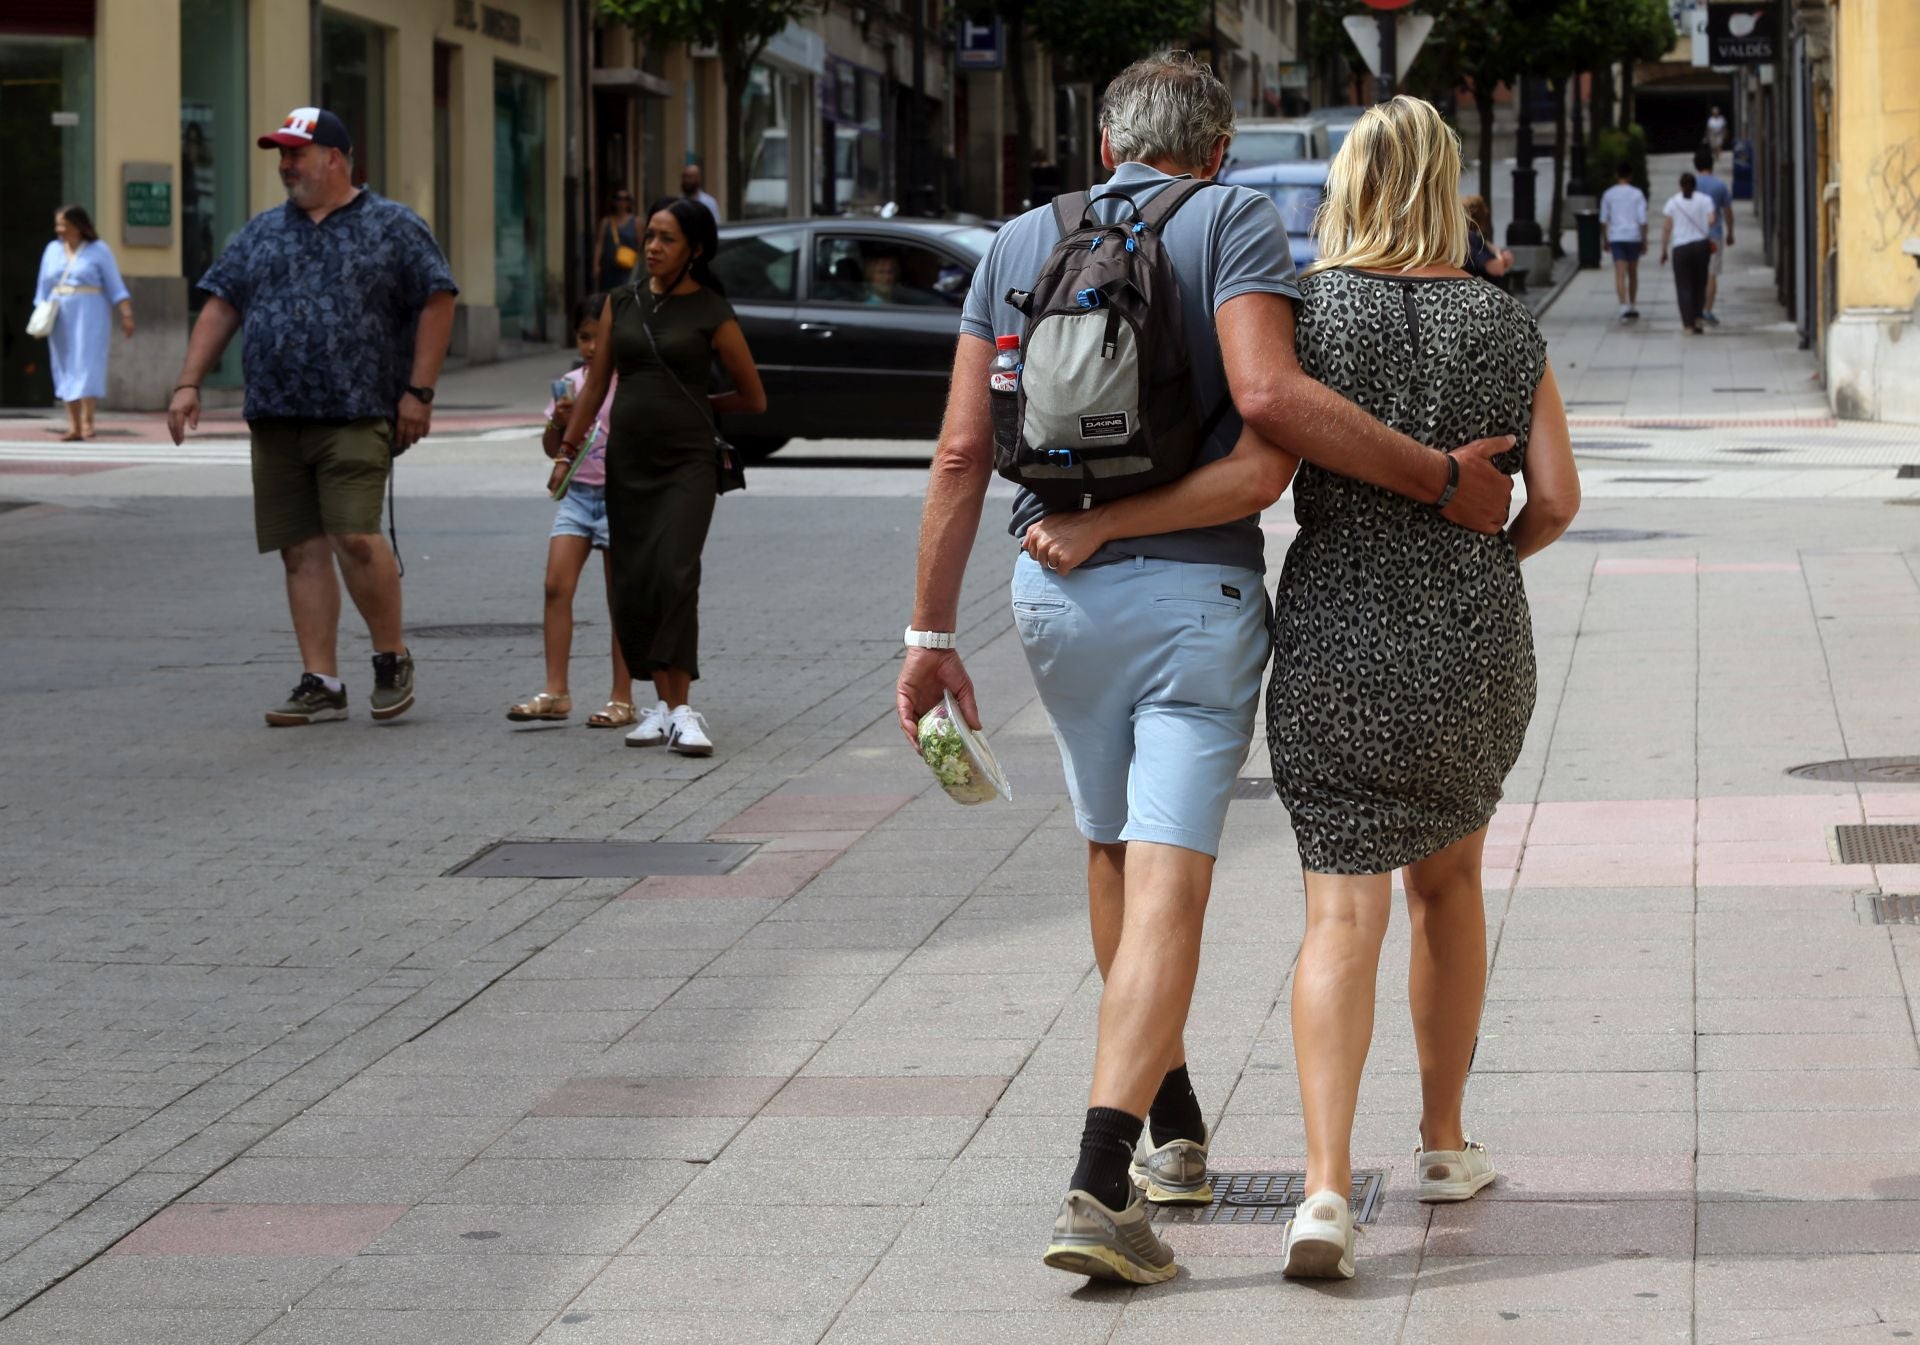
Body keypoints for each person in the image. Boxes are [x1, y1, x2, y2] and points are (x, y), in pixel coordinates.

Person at [898, 54, 1515, 1287]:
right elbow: (1267, 419)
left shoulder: (1019, 239)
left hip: (1047, 593)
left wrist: (926, 638)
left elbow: (965, 450)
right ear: (1219, 152)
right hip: (1194, 596)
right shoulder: (1229, 219)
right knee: (1172, 875)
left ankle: (1176, 1127)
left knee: (1108, 845)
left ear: (1108, 137)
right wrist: (1446, 480)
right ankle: (1101, 1173)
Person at [1267, 95, 1576, 1282]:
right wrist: (1479, 564)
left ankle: (1327, 1191)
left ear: (1346, 182)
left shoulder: (1305, 314)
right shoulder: (1505, 322)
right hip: (1469, 639)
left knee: (1340, 910)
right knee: (1448, 883)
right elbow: (1554, 499)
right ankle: (1445, 1142)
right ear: (1447, 185)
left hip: (1338, 632)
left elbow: (1254, 463)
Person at [166, 106, 456, 727]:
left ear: (335, 158)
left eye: (297, 153)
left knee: (354, 534)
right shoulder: (262, 231)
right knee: (299, 550)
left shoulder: (394, 225)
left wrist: (420, 393)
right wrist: (188, 382)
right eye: (281, 154)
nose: (286, 165)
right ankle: (321, 681)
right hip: (274, 415)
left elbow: (437, 299)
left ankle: (390, 656)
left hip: (355, 411)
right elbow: (221, 306)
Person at [560, 197, 766, 758]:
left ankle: (683, 710)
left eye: (667, 238)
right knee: (635, 581)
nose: (652, 246)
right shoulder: (619, 303)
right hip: (628, 462)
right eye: (650, 235)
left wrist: (700, 401)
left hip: (687, 463)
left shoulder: (711, 311)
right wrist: (567, 449)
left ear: (694, 250)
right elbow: (597, 384)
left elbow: (753, 396)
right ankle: (658, 705)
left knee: (676, 571)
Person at [507, 293, 637, 730]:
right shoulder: (571, 384)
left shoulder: (632, 382)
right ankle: (555, 690)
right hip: (579, 497)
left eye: (601, 337)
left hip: (621, 498)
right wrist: (559, 422)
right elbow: (550, 449)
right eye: (584, 337)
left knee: (619, 599)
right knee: (555, 586)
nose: (592, 347)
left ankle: (622, 697)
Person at [33, 205, 133, 442]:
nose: (59, 229)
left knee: (88, 362)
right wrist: (40, 314)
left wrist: (126, 314)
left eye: (63, 224)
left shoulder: (99, 251)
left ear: (78, 226)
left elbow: (115, 286)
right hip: (59, 312)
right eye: (58, 224)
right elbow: (43, 286)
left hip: (91, 312)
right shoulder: (52, 250)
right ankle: (74, 425)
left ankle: (88, 421)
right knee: (64, 363)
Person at [1661, 171, 1717, 335]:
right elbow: (1712, 220)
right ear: (1695, 185)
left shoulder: (1673, 202)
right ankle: (1698, 319)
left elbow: (1667, 227)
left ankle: (1688, 325)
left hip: (1681, 247)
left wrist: (1663, 249)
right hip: (1701, 246)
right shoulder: (1705, 200)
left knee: (1683, 286)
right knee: (1700, 283)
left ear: (1680, 186)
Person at [1599, 163, 1649, 321]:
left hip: (1617, 236)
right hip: (1633, 236)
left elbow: (1604, 219)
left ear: (1616, 175)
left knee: (1620, 273)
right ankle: (1633, 304)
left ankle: (1623, 306)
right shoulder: (1637, 194)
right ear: (1630, 176)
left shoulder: (1609, 194)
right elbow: (1643, 219)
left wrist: (1605, 238)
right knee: (1633, 272)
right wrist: (1644, 238)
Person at [1692, 148, 1735, 324]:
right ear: (1712, 164)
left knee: (1695, 274)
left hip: (1694, 235)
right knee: (1711, 274)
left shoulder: (1691, 185)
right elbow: (1727, 212)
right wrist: (1730, 232)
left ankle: (1695, 309)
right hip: (1714, 234)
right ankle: (1707, 310)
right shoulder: (1719, 185)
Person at [595, 186, 639, 290]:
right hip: (609, 267)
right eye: (618, 199)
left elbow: (641, 245)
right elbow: (599, 244)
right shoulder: (606, 222)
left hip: (627, 267)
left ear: (629, 203)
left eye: (625, 199)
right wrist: (596, 265)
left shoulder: (636, 222)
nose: (621, 202)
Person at [1460, 195, 1512, 282]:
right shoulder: (1472, 239)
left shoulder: (1465, 238)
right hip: (1479, 290)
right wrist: (1501, 256)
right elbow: (1496, 268)